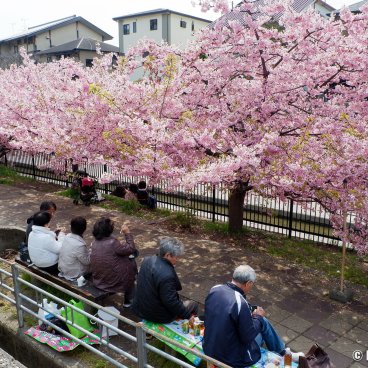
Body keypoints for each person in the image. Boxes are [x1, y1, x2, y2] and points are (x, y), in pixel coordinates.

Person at [203, 265, 304, 368]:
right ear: (248, 283)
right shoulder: (240, 302)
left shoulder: (215, 289)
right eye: (252, 284)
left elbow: (222, 314)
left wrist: (249, 315)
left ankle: (283, 352)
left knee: (260, 323)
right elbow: (247, 336)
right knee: (262, 322)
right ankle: (284, 353)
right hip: (231, 358)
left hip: (209, 346)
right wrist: (258, 317)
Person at [132, 237, 198, 323]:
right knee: (193, 305)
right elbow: (171, 301)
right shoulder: (167, 275)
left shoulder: (147, 260)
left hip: (140, 307)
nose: (177, 260)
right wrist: (188, 316)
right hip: (158, 315)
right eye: (176, 257)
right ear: (167, 255)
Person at [90, 218, 138, 307]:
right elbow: (131, 248)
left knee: (126, 259)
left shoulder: (94, 243)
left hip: (99, 280)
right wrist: (127, 233)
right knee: (132, 263)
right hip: (112, 282)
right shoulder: (112, 243)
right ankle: (129, 302)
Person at [28, 211, 65, 275]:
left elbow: (46, 240)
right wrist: (62, 234)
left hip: (37, 262)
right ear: (45, 224)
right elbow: (59, 249)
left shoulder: (32, 233)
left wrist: (55, 233)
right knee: (67, 253)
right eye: (49, 221)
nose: (50, 223)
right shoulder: (46, 237)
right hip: (48, 266)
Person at [58, 217, 90, 281]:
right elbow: (87, 262)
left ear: (71, 227)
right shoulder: (80, 245)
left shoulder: (67, 237)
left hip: (63, 269)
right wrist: (92, 250)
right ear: (85, 228)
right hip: (74, 273)